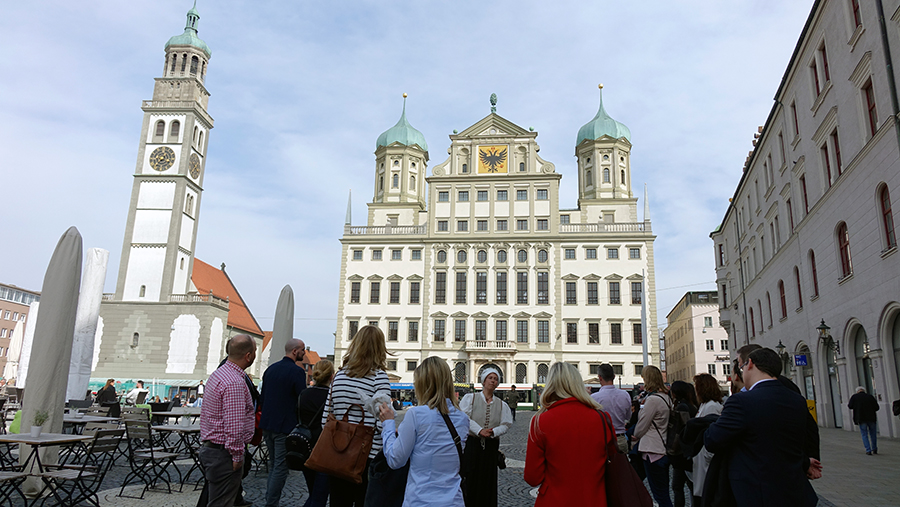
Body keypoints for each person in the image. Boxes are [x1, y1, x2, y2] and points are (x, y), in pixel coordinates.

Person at [705, 348, 819, 506]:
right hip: (793, 491)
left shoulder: (741, 401)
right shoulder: (797, 400)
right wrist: (805, 462)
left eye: (742, 365)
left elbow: (712, 440)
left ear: (750, 364)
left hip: (756, 492)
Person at [377, 356, 469, 506]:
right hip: (453, 501)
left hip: (421, 500)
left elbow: (395, 460)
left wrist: (387, 424)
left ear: (423, 384)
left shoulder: (416, 414)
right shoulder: (463, 419)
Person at [525, 362, 615, 506]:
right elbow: (611, 461)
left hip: (554, 500)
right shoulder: (602, 419)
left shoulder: (540, 421)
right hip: (594, 500)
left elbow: (532, 477)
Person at [323, 325, 391, 507]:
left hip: (338, 451)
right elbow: (383, 420)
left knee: (339, 501)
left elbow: (327, 416)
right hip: (368, 455)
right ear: (379, 348)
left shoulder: (339, 376)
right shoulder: (379, 377)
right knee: (366, 501)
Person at [198, 334, 257, 507]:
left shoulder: (219, 374)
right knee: (222, 503)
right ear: (248, 356)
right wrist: (238, 456)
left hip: (213, 448)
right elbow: (234, 425)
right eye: (254, 351)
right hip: (224, 452)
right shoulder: (234, 382)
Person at [259, 338, 308, 507]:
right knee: (280, 468)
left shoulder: (270, 370)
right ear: (295, 351)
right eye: (302, 349)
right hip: (284, 426)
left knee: (274, 465)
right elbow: (302, 400)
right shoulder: (297, 372)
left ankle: (270, 500)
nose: (304, 353)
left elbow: (263, 397)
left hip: (267, 424)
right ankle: (271, 503)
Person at [459, 368, 514, 507]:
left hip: (490, 447)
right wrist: (479, 431)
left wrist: (494, 432)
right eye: (490, 377)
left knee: (488, 481)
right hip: (472, 445)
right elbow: (464, 418)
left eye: (495, 379)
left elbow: (506, 424)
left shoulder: (502, 405)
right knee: (471, 480)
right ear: (483, 381)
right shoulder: (470, 399)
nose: (493, 380)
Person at [632, 365, 673, 507]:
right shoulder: (666, 398)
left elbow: (642, 425)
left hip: (652, 450)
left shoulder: (652, 400)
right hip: (662, 446)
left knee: (660, 494)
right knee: (663, 492)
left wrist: (635, 435)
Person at [299, 359, 334, 507]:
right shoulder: (331, 396)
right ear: (331, 376)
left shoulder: (304, 394)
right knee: (319, 498)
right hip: (325, 449)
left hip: (305, 447)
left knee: (313, 492)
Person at [690, 373, 723, 506]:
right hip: (701, 457)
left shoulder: (712, 407)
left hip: (706, 458)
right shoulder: (704, 405)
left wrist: (707, 456)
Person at [590, 363, 632, 453]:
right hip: (620, 438)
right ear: (614, 376)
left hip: (603, 439)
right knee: (621, 466)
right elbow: (628, 417)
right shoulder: (625, 395)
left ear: (600, 377)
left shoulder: (594, 398)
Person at [669, 380, 698, 507]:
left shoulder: (682, 407)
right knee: (689, 485)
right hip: (687, 450)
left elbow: (683, 428)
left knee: (678, 486)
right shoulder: (692, 405)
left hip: (681, 451)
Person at [848, 386, 879, 455]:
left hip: (861, 418)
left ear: (857, 391)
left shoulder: (854, 397)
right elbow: (877, 407)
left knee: (864, 434)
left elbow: (850, 406)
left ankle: (868, 450)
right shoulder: (870, 396)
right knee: (873, 434)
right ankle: (874, 448)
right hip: (871, 418)